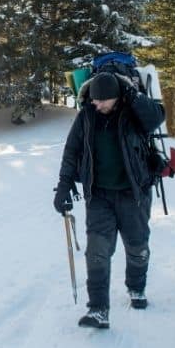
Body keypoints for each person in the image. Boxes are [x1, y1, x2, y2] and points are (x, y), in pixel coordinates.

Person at [53, 71, 166, 329]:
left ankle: (137, 288)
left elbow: (157, 117)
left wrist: (134, 97)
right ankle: (98, 309)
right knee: (97, 251)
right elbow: (71, 152)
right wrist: (64, 185)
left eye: (102, 100)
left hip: (133, 193)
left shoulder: (133, 113)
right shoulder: (86, 117)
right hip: (99, 196)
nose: (97, 104)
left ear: (116, 97)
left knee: (137, 245)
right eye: (94, 100)